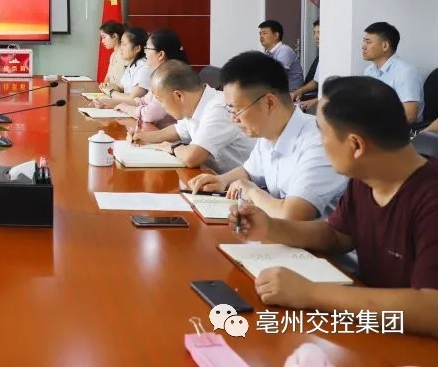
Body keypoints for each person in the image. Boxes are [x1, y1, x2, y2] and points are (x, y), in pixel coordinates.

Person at [230, 76, 438, 339]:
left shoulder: (430, 198)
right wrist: (271, 228)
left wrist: (310, 293)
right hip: (373, 330)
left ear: (355, 145)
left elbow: (431, 309)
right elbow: (338, 235)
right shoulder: (366, 178)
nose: (319, 141)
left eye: (322, 133)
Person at [188, 51, 347, 220]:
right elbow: (249, 171)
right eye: (230, 110)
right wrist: (222, 180)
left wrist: (251, 191)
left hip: (309, 236)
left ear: (270, 103)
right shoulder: (269, 132)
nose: (234, 119)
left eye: (237, 110)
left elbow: (293, 215)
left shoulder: (319, 142)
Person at [130, 60, 254, 173]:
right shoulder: (193, 104)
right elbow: (178, 131)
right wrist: (142, 137)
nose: (162, 106)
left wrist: (173, 147)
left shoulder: (218, 109)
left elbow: (191, 158)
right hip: (213, 176)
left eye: (161, 100)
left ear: (178, 96)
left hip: (239, 185)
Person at [115, 28, 186, 123]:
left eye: (147, 49)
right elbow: (144, 101)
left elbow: (149, 114)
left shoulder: (169, 77)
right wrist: (111, 103)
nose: (145, 53)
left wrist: (126, 108)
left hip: (166, 130)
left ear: (161, 54)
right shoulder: (160, 74)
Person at [362, 21, 424, 124]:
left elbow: (409, 117)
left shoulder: (405, 73)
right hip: (375, 126)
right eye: (364, 41)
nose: (363, 46)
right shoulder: (369, 71)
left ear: (385, 46)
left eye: (368, 42)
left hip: (399, 130)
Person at [92, 27, 153, 107]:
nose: (121, 48)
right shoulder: (132, 65)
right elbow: (120, 87)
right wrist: (108, 87)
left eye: (124, 44)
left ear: (137, 48)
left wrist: (111, 92)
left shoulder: (145, 68)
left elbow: (133, 99)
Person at [258, 20, 304, 93]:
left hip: (291, 94)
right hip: (278, 93)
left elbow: (277, 76)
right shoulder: (268, 53)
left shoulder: (284, 50)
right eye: (260, 34)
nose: (261, 36)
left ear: (276, 35)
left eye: (264, 33)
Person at [291, 20, 320, 105]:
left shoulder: (334, 56)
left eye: (319, 32)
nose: (316, 37)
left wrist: (313, 101)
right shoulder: (322, 55)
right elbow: (316, 81)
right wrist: (300, 90)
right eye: (314, 33)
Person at [97, 21, 130, 92]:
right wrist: (104, 87)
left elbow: (126, 85)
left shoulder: (126, 54)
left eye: (104, 37)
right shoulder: (113, 55)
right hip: (112, 93)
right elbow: (107, 78)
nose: (102, 41)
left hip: (121, 95)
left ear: (115, 36)